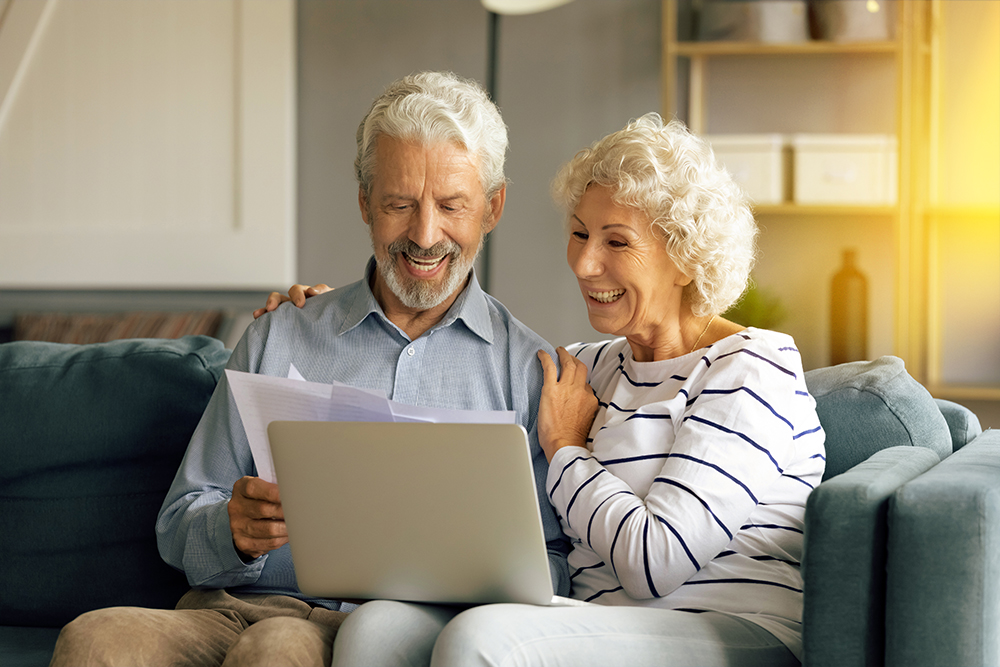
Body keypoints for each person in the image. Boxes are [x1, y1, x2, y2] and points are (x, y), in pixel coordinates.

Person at [48, 71, 570, 667]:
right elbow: (179, 520)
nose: (425, 236)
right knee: (94, 639)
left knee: (275, 650)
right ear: (365, 203)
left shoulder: (527, 371)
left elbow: (554, 565)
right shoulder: (281, 332)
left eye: (452, 205)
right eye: (399, 204)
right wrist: (233, 529)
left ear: (493, 207)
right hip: (227, 607)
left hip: (368, 634)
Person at [265, 113, 826, 666]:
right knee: (375, 629)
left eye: (616, 241)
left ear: (684, 257)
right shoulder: (585, 370)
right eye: (580, 232)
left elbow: (656, 561)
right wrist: (320, 314)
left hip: (727, 630)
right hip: (585, 620)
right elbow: (455, 387)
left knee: (481, 639)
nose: (584, 262)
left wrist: (567, 450)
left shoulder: (751, 368)